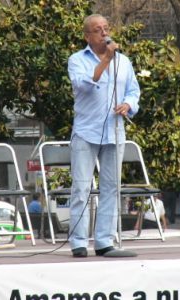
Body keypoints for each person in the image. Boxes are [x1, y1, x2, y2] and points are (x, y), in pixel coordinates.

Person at [68, 14, 140, 257]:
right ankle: (78, 242)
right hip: (86, 132)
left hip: (114, 131)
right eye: (97, 30)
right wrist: (106, 61)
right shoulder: (77, 60)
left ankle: (104, 241)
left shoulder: (124, 62)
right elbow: (83, 85)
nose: (104, 33)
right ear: (88, 36)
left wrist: (128, 105)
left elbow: (133, 90)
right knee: (81, 188)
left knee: (111, 188)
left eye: (106, 28)